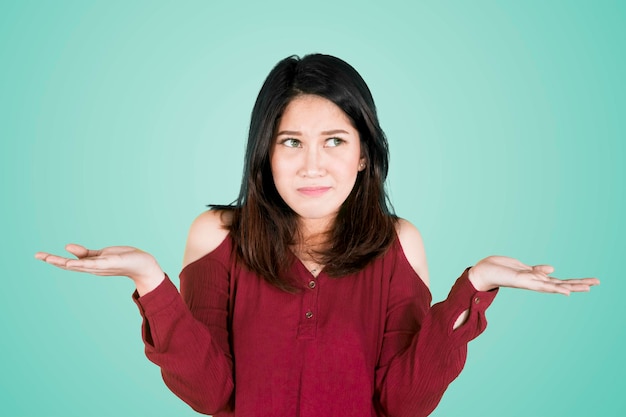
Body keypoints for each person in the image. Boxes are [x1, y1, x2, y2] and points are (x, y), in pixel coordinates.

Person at [35, 54, 599, 417]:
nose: (312, 166)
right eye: (290, 142)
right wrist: (150, 280)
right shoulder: (217, 234)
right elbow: (213, 394)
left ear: (362, 157)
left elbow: (404, 402)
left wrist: (475, 285)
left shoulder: (399, 242)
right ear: (265, 153)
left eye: (334, 140)